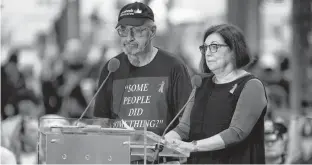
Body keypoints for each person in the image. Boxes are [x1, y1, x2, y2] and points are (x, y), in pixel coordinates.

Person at [93, 1, 192, 164]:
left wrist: (163, 146)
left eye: (137, 31)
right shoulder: (111, 68)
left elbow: (187, 121)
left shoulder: (173, 67)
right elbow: (101, 120)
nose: (129, 38)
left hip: (161, 160)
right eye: (123, 31)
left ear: (152, 31)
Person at [164, 24, 268, 164]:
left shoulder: (251, 85)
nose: (207, 53)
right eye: (205, 47)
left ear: (233, 49)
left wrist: (193, 146)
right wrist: (163, 141)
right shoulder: (201, 83)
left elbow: (236, 133)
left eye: (214, 47)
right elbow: (184, 128)